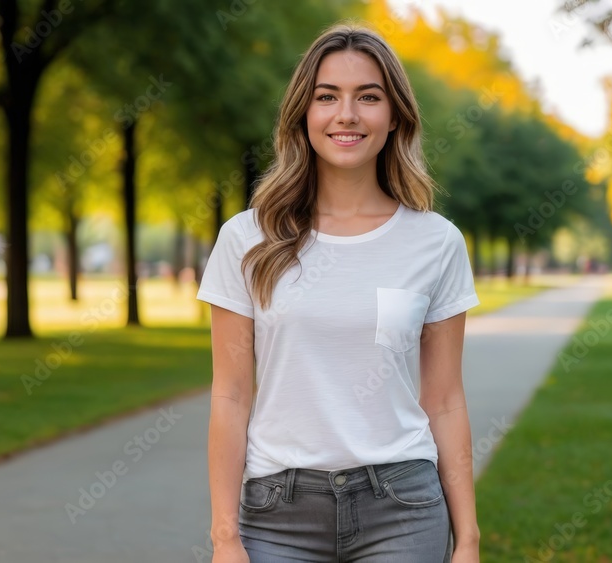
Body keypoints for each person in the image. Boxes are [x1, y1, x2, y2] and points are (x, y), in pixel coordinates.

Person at [196, 24, 481, 563]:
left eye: (368, 97)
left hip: (403, 507)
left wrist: (468, 539)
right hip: (277, 515)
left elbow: (444, 399)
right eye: (327, 97)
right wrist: (224, 536)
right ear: (304, 114)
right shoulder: (247, 238)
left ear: (394, 115)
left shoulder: (436, 242)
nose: (346, 115)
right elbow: (230, 395)